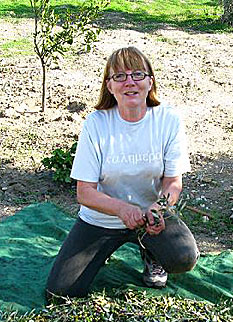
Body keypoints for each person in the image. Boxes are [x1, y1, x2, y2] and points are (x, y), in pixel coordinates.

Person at [46, 46, 199, 299]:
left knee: (183, 257)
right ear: (109, 86)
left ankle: (151, 252)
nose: (130, 82)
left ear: (150, 81)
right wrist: (121, 210)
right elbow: (85, 193)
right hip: (100, 220)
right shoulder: (97, 124)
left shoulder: (168, 120)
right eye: (120, 76)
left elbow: (173, 182)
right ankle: (101, 251)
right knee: (61, 292)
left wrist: (157, 209)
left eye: (138, 75)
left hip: (151, 219)